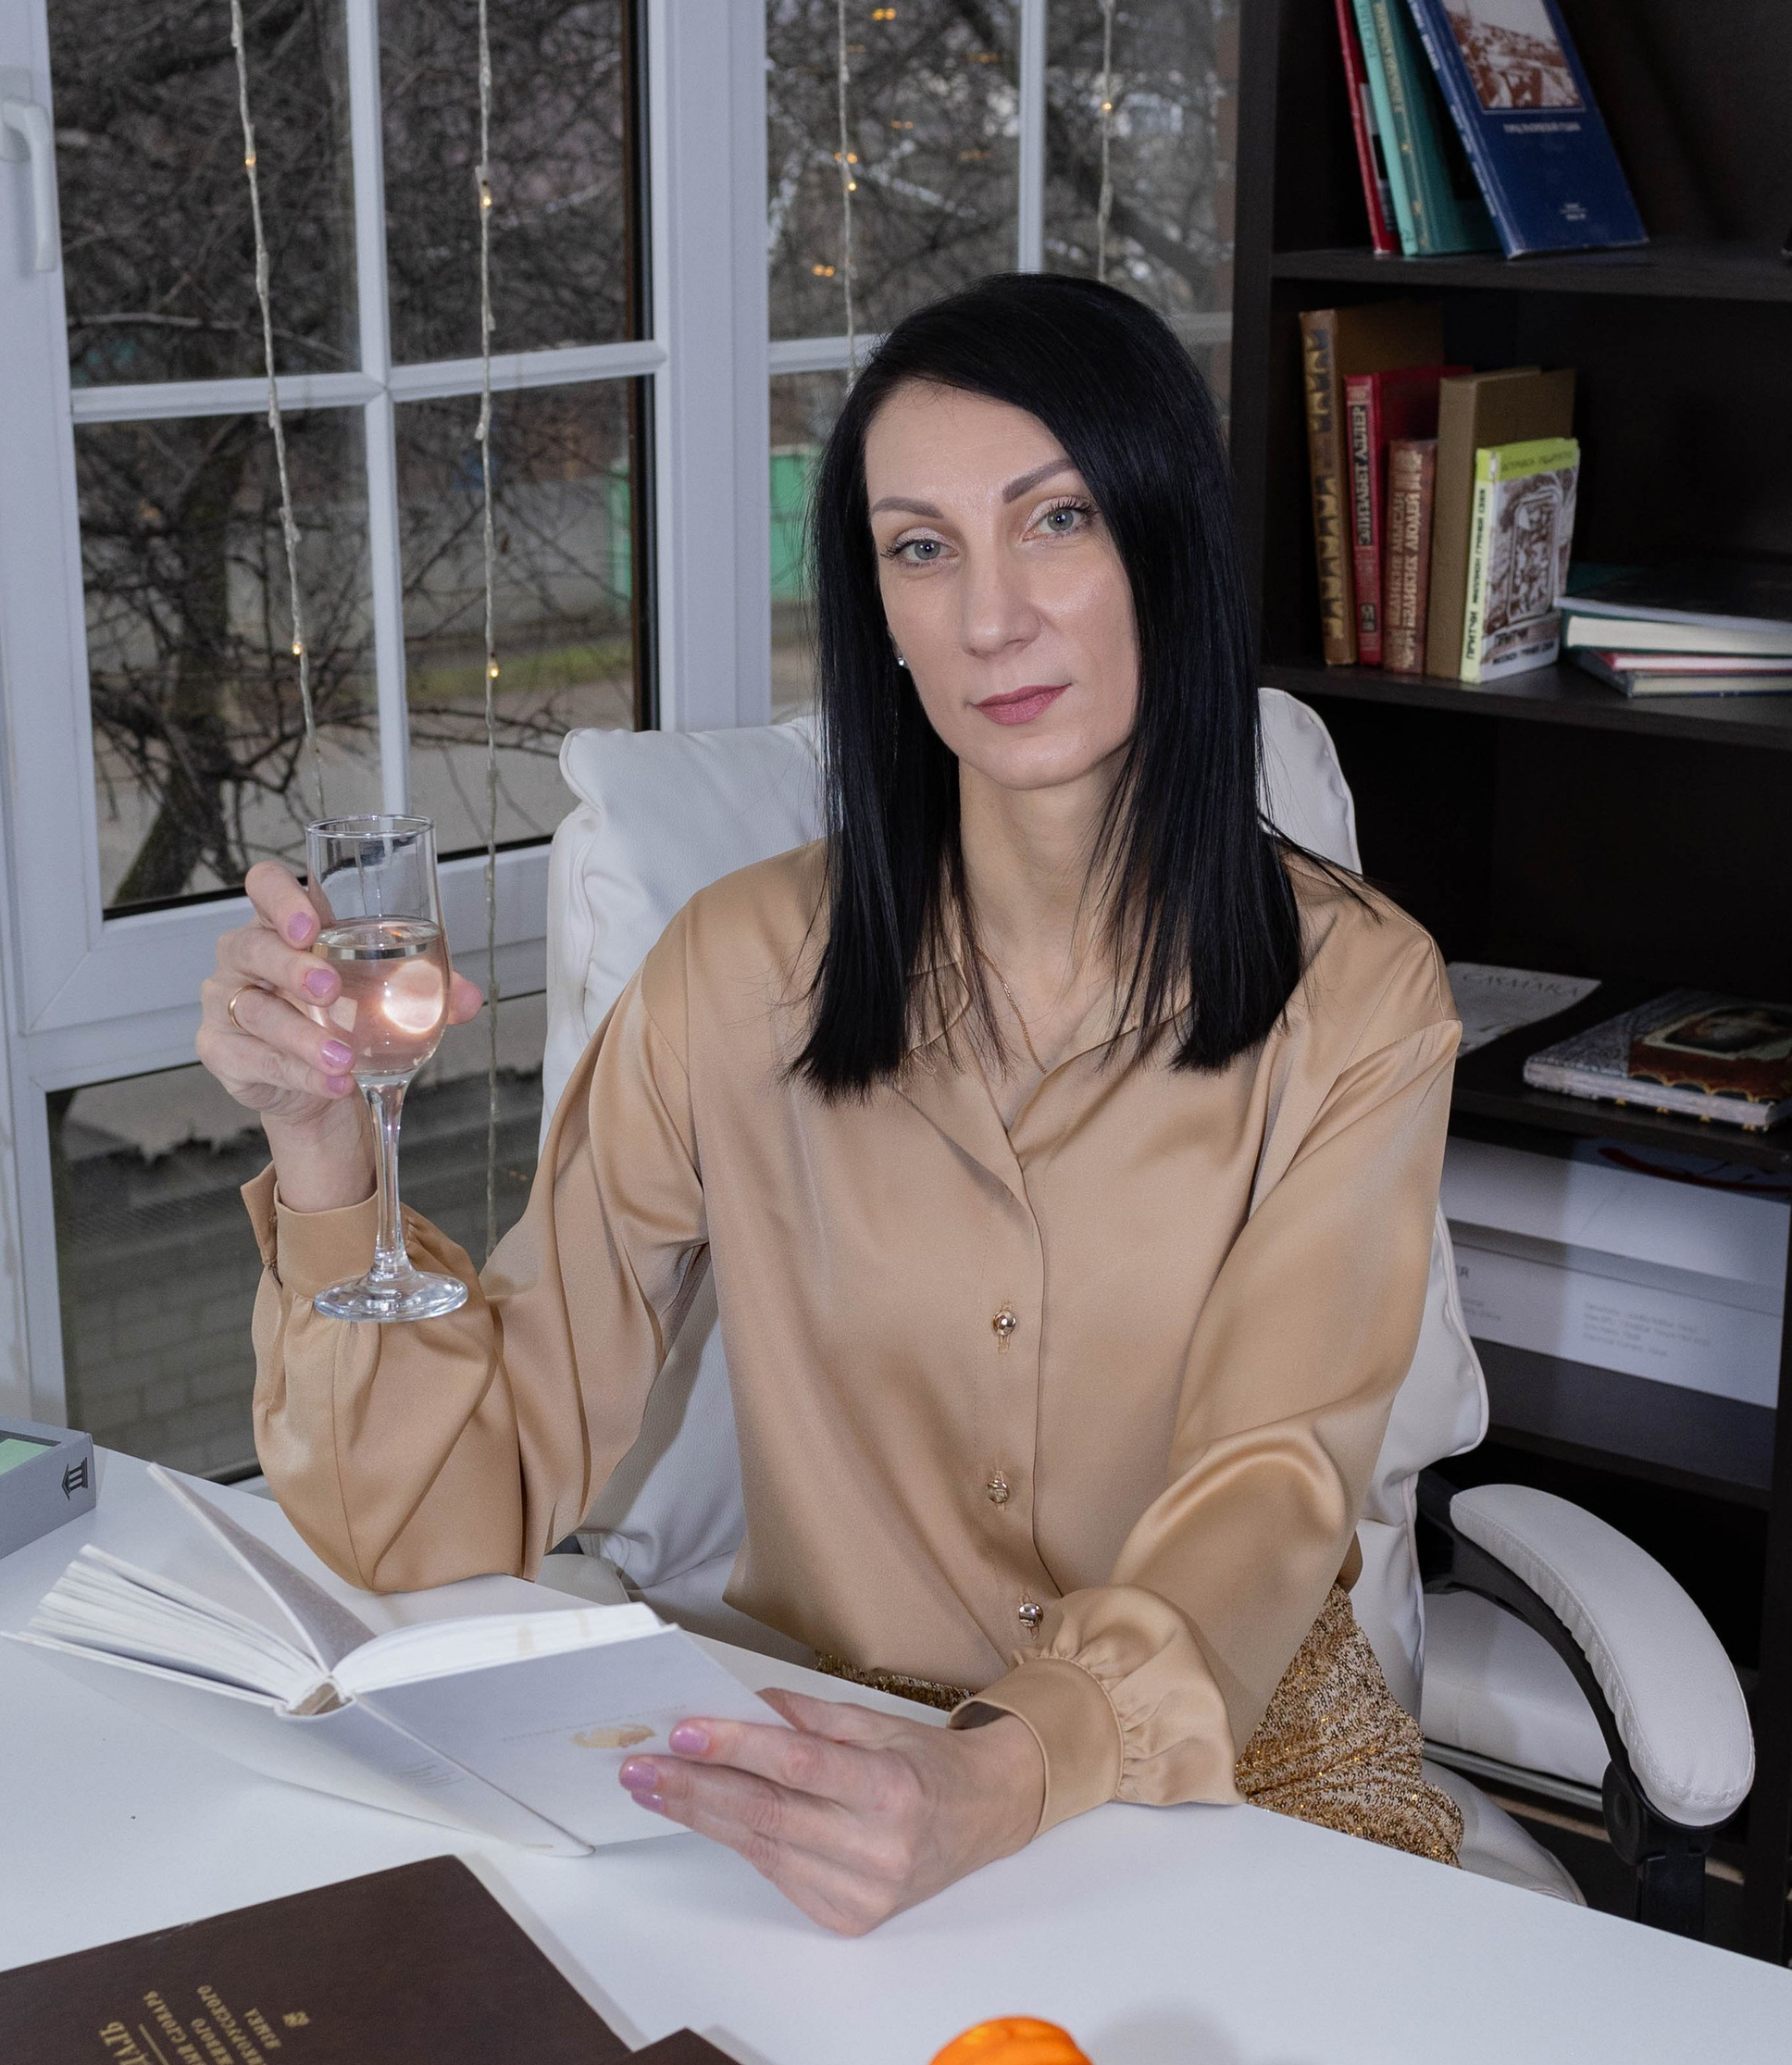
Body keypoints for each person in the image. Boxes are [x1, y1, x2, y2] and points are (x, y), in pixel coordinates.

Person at [196, 275, 1461, 1934]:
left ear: (1168, 546)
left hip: (1226, 1772)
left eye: (1056, 520)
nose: (989, 615)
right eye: (920, 548)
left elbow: (1268, 1486)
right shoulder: (736, 971)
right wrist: (321, 1146)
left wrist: (1004, 1771)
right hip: (844, 1774)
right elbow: (448, 1510)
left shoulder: (1359, 994)